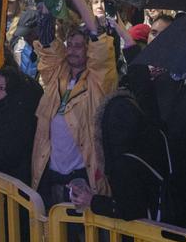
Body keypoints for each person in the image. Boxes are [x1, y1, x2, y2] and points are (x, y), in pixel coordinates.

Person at [30, 0, 118, 203]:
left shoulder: (98, 82)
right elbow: (48, 45)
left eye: (79, 46)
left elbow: (98, 39)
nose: (72, 51)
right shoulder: (57, 75)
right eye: (70, 45)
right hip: (49, 175)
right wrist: (49, 7)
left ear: (88, 49)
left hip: (84, 178)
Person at [70, 90, 172, 221]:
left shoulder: (123, 163)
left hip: (147, 234)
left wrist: (92, 201)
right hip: (172, 221)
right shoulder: (156, 137)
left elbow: (130, 210)